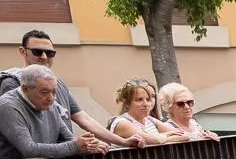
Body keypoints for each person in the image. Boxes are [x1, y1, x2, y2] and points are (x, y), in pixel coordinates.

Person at [6, 30, 144, 147]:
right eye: (37, 52)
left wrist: (122, 141)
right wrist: (78, 145)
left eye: (50, 53)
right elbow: (26, 143)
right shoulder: (12, 83)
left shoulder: (58, 84)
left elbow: (84, 119)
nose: (44, 57)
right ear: (22, 52)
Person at [0, 65, 105, 159]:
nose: (51, 98)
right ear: (25, 89)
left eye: (54, 92)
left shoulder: (49, 104)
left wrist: (88, 145)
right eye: (44, 92)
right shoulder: (7, 106)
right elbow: (29, 150)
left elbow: (69, 139)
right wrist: (76, 146)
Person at [107, 78, 178, 145]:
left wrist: (161, 137)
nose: (146, 104)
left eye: (148, 99)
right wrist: (166, 135)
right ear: (127, 103)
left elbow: (181, 135)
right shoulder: (122, 123)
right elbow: (155, 140)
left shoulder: (149, 119)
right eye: (139, 99)